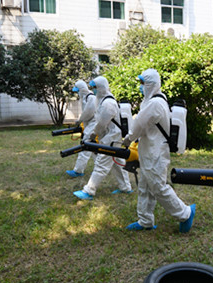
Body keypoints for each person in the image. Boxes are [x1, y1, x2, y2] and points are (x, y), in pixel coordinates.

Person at [121, 69, 195, 233]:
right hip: (149, 151)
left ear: (150, 84)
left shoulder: (155, 103)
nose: (141, 87)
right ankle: (145, 220)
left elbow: (138, 124)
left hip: (156, 153)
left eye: (143, 84)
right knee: (145, 187)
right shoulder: (152, 101)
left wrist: (127, 140)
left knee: (158, 187)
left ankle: (185, 213)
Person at [73, 76, 133, 201]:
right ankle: (126, 187)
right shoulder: (102, 100)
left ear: (101, 87)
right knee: (118, 163)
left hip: (111, 137)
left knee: (101, 163)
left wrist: (94, 134)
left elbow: (102, 123)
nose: (93, 90)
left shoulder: (108, 103)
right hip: (110, 136)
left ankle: (89, 190)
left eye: (95, 87)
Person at [66, 80, 96, 178]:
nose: (77, 93)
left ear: (82, 89)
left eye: (77, 90)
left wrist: (80, 120)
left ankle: (78, 170)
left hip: (93, 124)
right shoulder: (85, 98)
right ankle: (98, 169)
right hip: (90, 125)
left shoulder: (90, 97)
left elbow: (88, 112)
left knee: (85, 146)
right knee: (95, 148)